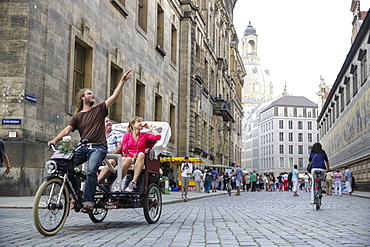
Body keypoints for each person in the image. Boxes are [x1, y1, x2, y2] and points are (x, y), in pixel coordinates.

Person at [48, 69, 132, 213]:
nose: (92, 95)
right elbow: (66, 130)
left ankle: (89, 202)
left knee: (91, 171)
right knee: (64, 166)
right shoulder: (77, 116)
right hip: (83, 147)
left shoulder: (99, 109)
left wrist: (122, 81)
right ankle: (76, 193)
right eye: (89, 93)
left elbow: (114, 96)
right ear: (82, 98)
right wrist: (54, 140)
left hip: (98, 148)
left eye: (92, 93)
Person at [120, 116, 161, 192]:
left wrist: (149, 127)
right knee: (128, 159)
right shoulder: (126, 136)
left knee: (141, 154)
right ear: (133, 124)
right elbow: (124, 148)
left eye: (141, 121)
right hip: (129, 157)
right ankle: (118, 182)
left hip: (139, 158)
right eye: (138, 121)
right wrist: (127, 154)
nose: (141, 123)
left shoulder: (144, 135)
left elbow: (158, 136)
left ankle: (133, 182)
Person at [97, 117, 123, 183]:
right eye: (106, 121)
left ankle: (96, 183)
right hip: (101, 158)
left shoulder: (117, 134)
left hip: (114, 158)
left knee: (111, 162)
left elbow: (120, 147)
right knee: (91, 161)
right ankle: (96, 182)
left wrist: (110, 157)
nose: (109, 122)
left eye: (109, 121)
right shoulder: (98, 136)